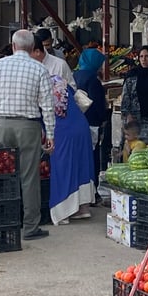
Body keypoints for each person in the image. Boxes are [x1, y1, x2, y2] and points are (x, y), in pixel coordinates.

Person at [0, 29, 56, 241]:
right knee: (29, 178)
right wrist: (50, 134)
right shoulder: (39, 69)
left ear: (13, 45)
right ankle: (30, 227)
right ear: (32, 46)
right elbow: (47, 105)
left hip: (2, 125)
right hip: (28, 127)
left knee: (0, 176)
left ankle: (1, 223)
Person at [46, 75, 95, 225]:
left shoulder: (43, 88)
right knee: (82, 166)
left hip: (62, 130)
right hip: (81, 126)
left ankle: (63, 213)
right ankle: (83, 208)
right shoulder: (61, 82)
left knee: (63, 168)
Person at [74, 47, 108, 202]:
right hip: (92, 123)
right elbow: (98, 104)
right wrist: (103, 119)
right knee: (92, 158)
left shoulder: (75, 75)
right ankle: (92, 194)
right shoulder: (93, 80)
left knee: (79, 158)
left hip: (77, 122)